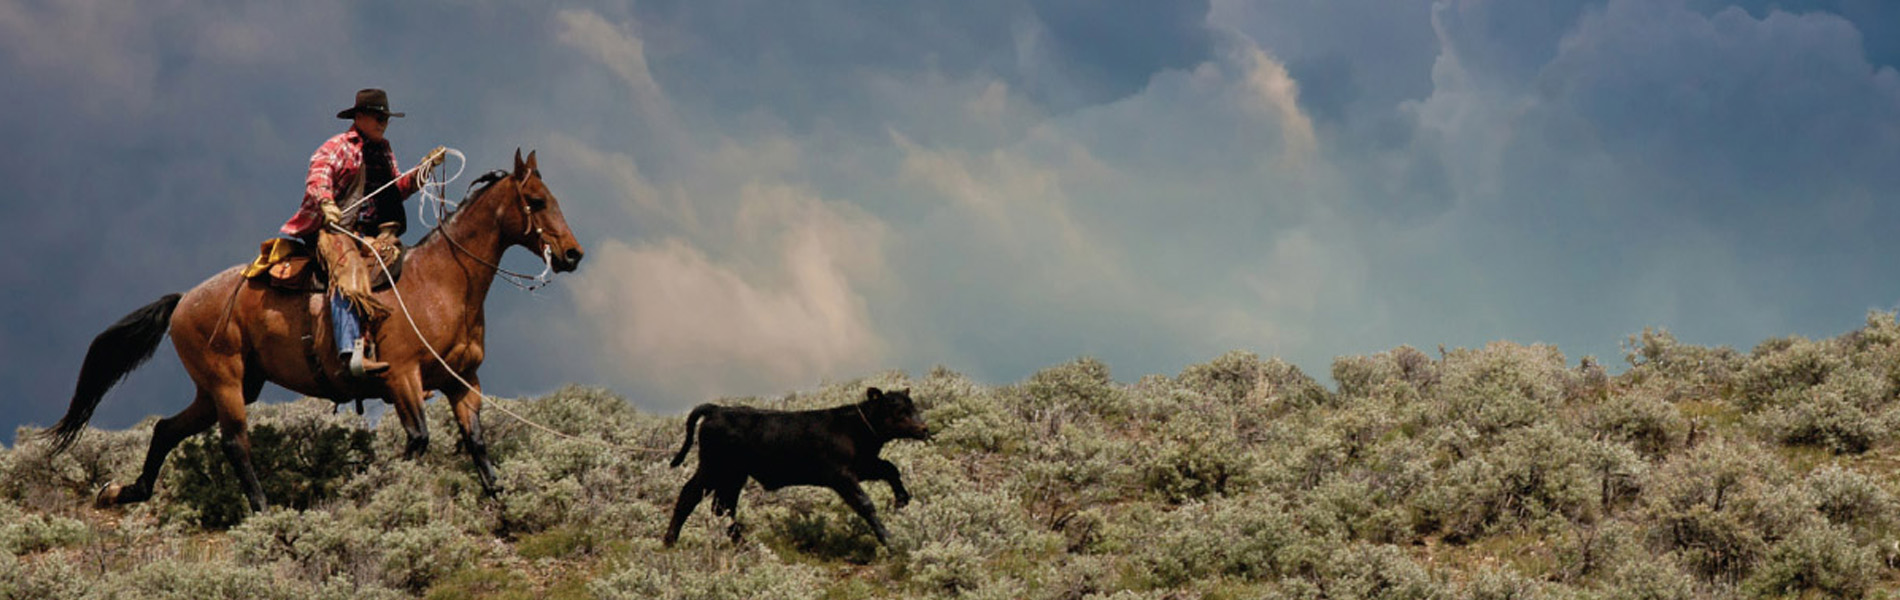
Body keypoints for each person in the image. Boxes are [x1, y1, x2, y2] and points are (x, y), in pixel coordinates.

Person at [280, 88, 444, 377]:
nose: (383, 122)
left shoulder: (382, 151)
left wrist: (423, 170)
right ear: (359, 117)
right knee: (349, 268)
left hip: (370, 233)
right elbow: (318, 176)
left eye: (386, 118)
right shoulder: (338, 146)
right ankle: (350, 351)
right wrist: (327, 204)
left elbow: (395, 190)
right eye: (377, 116)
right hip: (332, 229)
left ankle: (399, 355)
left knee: (402, 270)